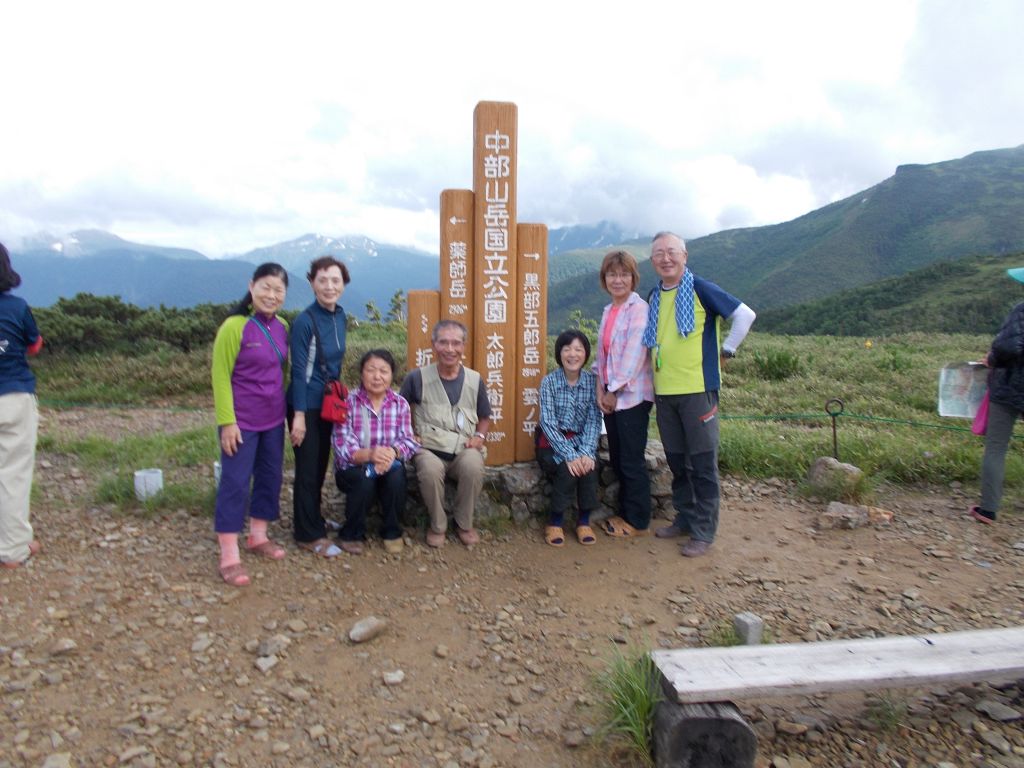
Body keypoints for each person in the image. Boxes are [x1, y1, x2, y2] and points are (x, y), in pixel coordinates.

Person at [643, 232, 755, 557]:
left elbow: (745, 315)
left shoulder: (700, 288)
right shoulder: (654, 294)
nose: (666, 258)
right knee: (678, 462)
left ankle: (704, 530)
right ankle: (685, 518)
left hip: (698, 391)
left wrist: (728, 350)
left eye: (672, 252)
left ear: (684, 256)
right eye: (659, 254)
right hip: (664, 392)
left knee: (703, 463)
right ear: (652, 261)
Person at [211, 262, 290, 586]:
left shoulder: (283, 326)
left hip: (273, 418)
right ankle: (229, 553)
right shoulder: (234, 326)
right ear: (251, 286)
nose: (271, 295)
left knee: (271, 476)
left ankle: (258, 534)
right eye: (266, 287)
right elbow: (220, 375)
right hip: (241, 421)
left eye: (278, 290)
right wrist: (227, 421)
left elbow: (282, 372)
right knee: (235, 482)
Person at [399, 320, 490, 547]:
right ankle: (438, 525)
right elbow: (399, 408)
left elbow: (485, 416)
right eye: (444, 342)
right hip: (427, 448)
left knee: (473, 466)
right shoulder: (416, 378)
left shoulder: (475, 380)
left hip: (463, 449)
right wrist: (409, 434)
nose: (450, 349)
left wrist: (480, 436)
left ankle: (464, 524)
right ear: (433, 345)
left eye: (456, 343)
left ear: (463, 346)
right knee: (430, 470)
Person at [288, 256, 350, 558]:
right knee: (307, 470)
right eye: (322, 280)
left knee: (320, 466)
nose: (329, 286)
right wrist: (298, 416)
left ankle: (315, 519)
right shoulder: (304, 321)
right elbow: (298, 371)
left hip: (328, 406)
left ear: (344, 284)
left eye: (335, 281)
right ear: (312, 282)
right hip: (307, 406)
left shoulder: (340, 316)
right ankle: (307, 533)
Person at [332, 349, 420, 554]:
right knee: (363, 478)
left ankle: (391, 530)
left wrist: (392, 452)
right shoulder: (348, 402)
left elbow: (408, 440)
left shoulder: (400, 404)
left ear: (391, 375)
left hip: (388, 463)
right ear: (361, 373)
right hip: (353, 467)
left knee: (397, 475)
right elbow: (342, 443)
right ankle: (352, 532)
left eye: (383, 371)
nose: (377, 376)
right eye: (371, 370)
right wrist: (371, 455)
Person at [594, 250, 655, 538]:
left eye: (623, 274)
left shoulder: (639, 309)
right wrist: (600, 390)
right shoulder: (609, 310)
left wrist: (613, 390)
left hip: (632, 398)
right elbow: (601, 357)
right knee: (618, 458)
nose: (617, 280)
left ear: (633, 277)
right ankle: (625, 514)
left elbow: (634, 356)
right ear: (604, 279)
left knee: (631, 460)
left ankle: (638, 520)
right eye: (612, 274)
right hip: (611, 396)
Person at [0, 242, 43, 568]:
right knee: (12, 474)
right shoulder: (17, 307)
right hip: (13, 396)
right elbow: (34, 345)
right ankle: (13, 548)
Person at [537, 330, 603, 546]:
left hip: (582, 441)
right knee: (569, 467)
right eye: (567, 349)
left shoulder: (593, 383)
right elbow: (547, 422)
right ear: (559, 353)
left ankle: (584, 522)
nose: (572, 354)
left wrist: (585, 453)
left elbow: (594, 421)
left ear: (585, 354)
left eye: (578, 349)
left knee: (588, 466)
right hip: (551, 444)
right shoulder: (549, 382)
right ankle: (555, 522)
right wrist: (569, 454)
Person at [972, 266, 1024, 525]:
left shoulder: (1021, 310)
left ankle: (989, 509)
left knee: (996, 448)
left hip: (1008, 387)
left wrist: (991, 359)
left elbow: (1006, 347)